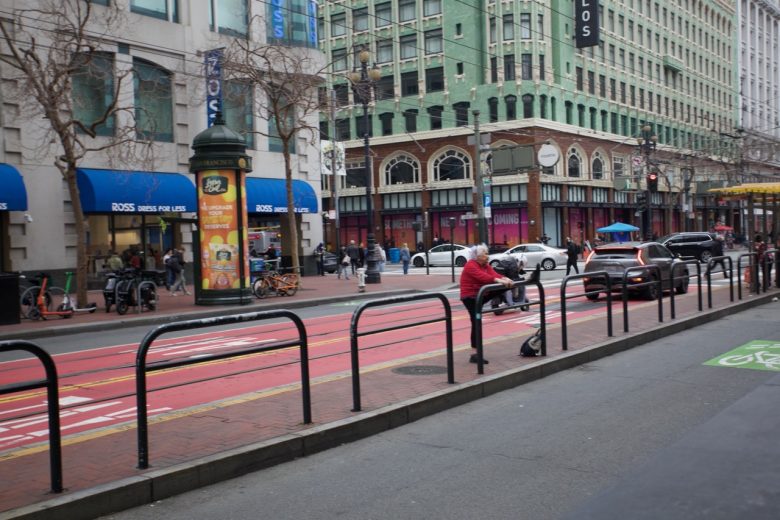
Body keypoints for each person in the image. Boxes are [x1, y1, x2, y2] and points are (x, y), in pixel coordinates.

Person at [460, 244, 513, 364]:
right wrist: (498, 280)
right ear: (477, 256)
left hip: (480, 295)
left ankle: (527, 279)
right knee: (476, 322)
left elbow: (493, 274)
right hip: (470, 297)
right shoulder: (470, 265)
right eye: (485, 254)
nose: (487, 256)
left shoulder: (485, 265)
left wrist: (504, 278)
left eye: (487, 254)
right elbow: (483, 277)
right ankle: (474, 354)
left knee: (505, 286)